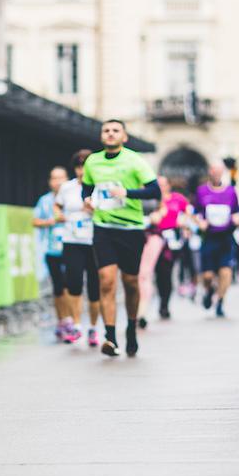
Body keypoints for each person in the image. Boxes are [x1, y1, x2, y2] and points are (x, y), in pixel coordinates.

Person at [81, 120, 159, 357]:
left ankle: (131, 329)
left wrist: (127, 192)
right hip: (103, 227)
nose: (110, 134)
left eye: (115, 130)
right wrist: (87, 200)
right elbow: (87, 188)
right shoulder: (92, 161)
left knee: (130, 282)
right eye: (106, 130)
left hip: (131, 229)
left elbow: (154, 191)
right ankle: (110, 337)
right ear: (101, 136)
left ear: (124, 137)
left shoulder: (134, 160)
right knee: (106, 280)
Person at [55, 149, 101, 346]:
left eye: (85, 166)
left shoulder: (100, 187)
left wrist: (95, 209)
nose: (82, 171)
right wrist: (60, 215)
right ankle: (76, 325)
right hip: (72, 240)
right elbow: (57, 206)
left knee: (94, 287)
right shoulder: (67, 188)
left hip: (94, 241)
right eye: (78, 167)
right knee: (73, 283)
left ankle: (93, 327)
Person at [195, 163, 239, 317]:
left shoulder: (230, 191)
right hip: (209, 237)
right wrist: (199, 222)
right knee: (207, 275)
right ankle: (209, 291)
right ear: (210, 171)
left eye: (219, 171)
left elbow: (236, 212)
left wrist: (237, 220)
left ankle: (220, 301)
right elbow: (195, 212)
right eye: (213, 170)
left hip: (226, 237)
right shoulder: (202, 191)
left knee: (226, 272)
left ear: (222, 172)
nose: (216, 173)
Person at [147, 176, 191, 320]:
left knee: (167, 272)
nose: (160, 187)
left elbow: (187, 212)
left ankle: (164, 303)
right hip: (153, 238)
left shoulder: (177, 198)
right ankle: (156, 299)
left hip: (171, 241)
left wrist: (184, 222)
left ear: (168, 185)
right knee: (155, 273)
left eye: (163, 184)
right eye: (158, 184)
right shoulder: (152, 200)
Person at [33, 166, 70, 339]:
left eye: (61, 178)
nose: (57, 182)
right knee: (58, 287)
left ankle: (72, 320)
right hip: (52, 249)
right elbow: (35, 221)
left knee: (71, 286)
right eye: (54, 178)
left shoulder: (73, 198)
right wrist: (49, 221)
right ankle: (61, 321)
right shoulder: (45, 201)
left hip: (71, 247)